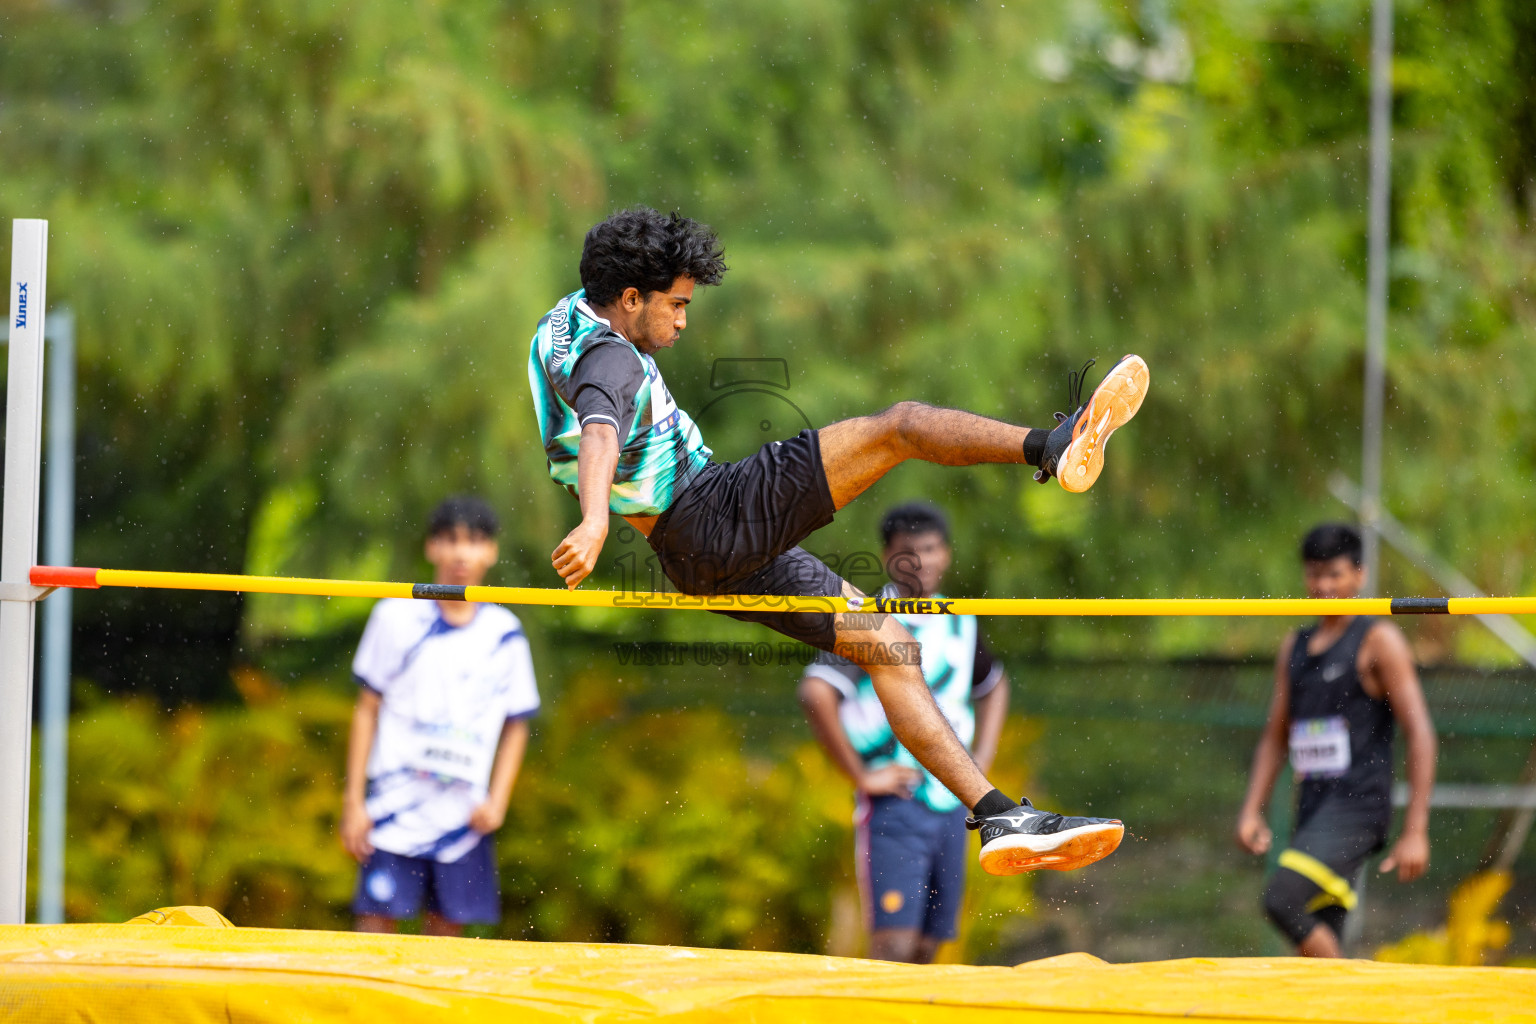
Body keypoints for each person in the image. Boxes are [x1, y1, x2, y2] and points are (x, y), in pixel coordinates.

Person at [528, 206, 1146, 875]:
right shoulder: (611, 359)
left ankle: (997, 816)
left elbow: (587, 423)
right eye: (675, 305)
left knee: (887, 646)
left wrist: (597, 507)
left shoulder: (564, 325)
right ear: (628, 298)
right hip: (713, 511)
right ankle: (1053, 448)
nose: (681, 322)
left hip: (693, 554)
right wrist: (593, 520)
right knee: (899, 426)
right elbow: (599, 429)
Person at [799, 503, 1010, 962]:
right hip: (897, 802)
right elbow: (817, 692)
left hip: (953, 804)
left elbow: (994, 686)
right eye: (908, 552)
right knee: (892, 946)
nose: (921, 562)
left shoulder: (959, 620)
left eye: (931, 549)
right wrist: (861, 775)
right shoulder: (871, 620)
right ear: (888, 557)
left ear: (947, 554)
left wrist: (983, 758)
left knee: (928, 947)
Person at [340, 496, 540, 935]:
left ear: (491, 552)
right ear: (432, 548)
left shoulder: (504, 633)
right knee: (371, 936)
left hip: (463, 819)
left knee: (447, 945)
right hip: (392, 809)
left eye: (474, 541)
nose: (461, 553)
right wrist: (354, 801)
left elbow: (517, 724)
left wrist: (499, 800)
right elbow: (366, 710)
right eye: (450, 540)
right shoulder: (394, 616)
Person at [1235, 523, 1437, 957]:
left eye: (1335, 575)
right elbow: (1276, 738)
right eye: (1314, 575)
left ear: (1360, 576)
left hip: (1358, 808)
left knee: (1282, 900)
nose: (1323, 586)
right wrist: (1252, 808)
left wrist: (1416, 830)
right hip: (1313, 806)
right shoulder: (1297, 646)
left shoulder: (1378, 641)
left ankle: (1367, 1005)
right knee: (1315, 959)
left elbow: (1419, 730)